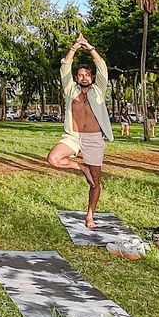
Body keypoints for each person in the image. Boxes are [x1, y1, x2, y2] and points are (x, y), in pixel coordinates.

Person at [47, 34, 112, 228]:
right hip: (73, 136)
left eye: (87, 75)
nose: (83, 77)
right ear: (76, 78)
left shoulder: (99, 89)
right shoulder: (70, 90)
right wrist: (75, 47)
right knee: (53, 159)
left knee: (95, 182)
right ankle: (81, 168)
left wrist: (90, 47)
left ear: (91, 77)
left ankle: (90, 215)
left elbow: (102, 68)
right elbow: (64, 67)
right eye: (80, 75)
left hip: (93, 138)